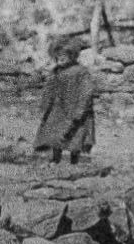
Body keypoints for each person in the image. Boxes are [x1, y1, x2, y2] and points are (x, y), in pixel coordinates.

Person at [35, 36, 95, 165]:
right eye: (57, 56)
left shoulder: (81, 72)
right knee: (56, 135)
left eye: (64, 55)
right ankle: (55, 159)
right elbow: (49, 89)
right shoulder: (56, 72)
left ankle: (74, 161)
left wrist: (80, 110)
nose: (60, 58)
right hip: (58, 110)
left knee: (76, 136)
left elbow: (87, 92)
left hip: (75, 110)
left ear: (72, 56)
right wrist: (46, 105)